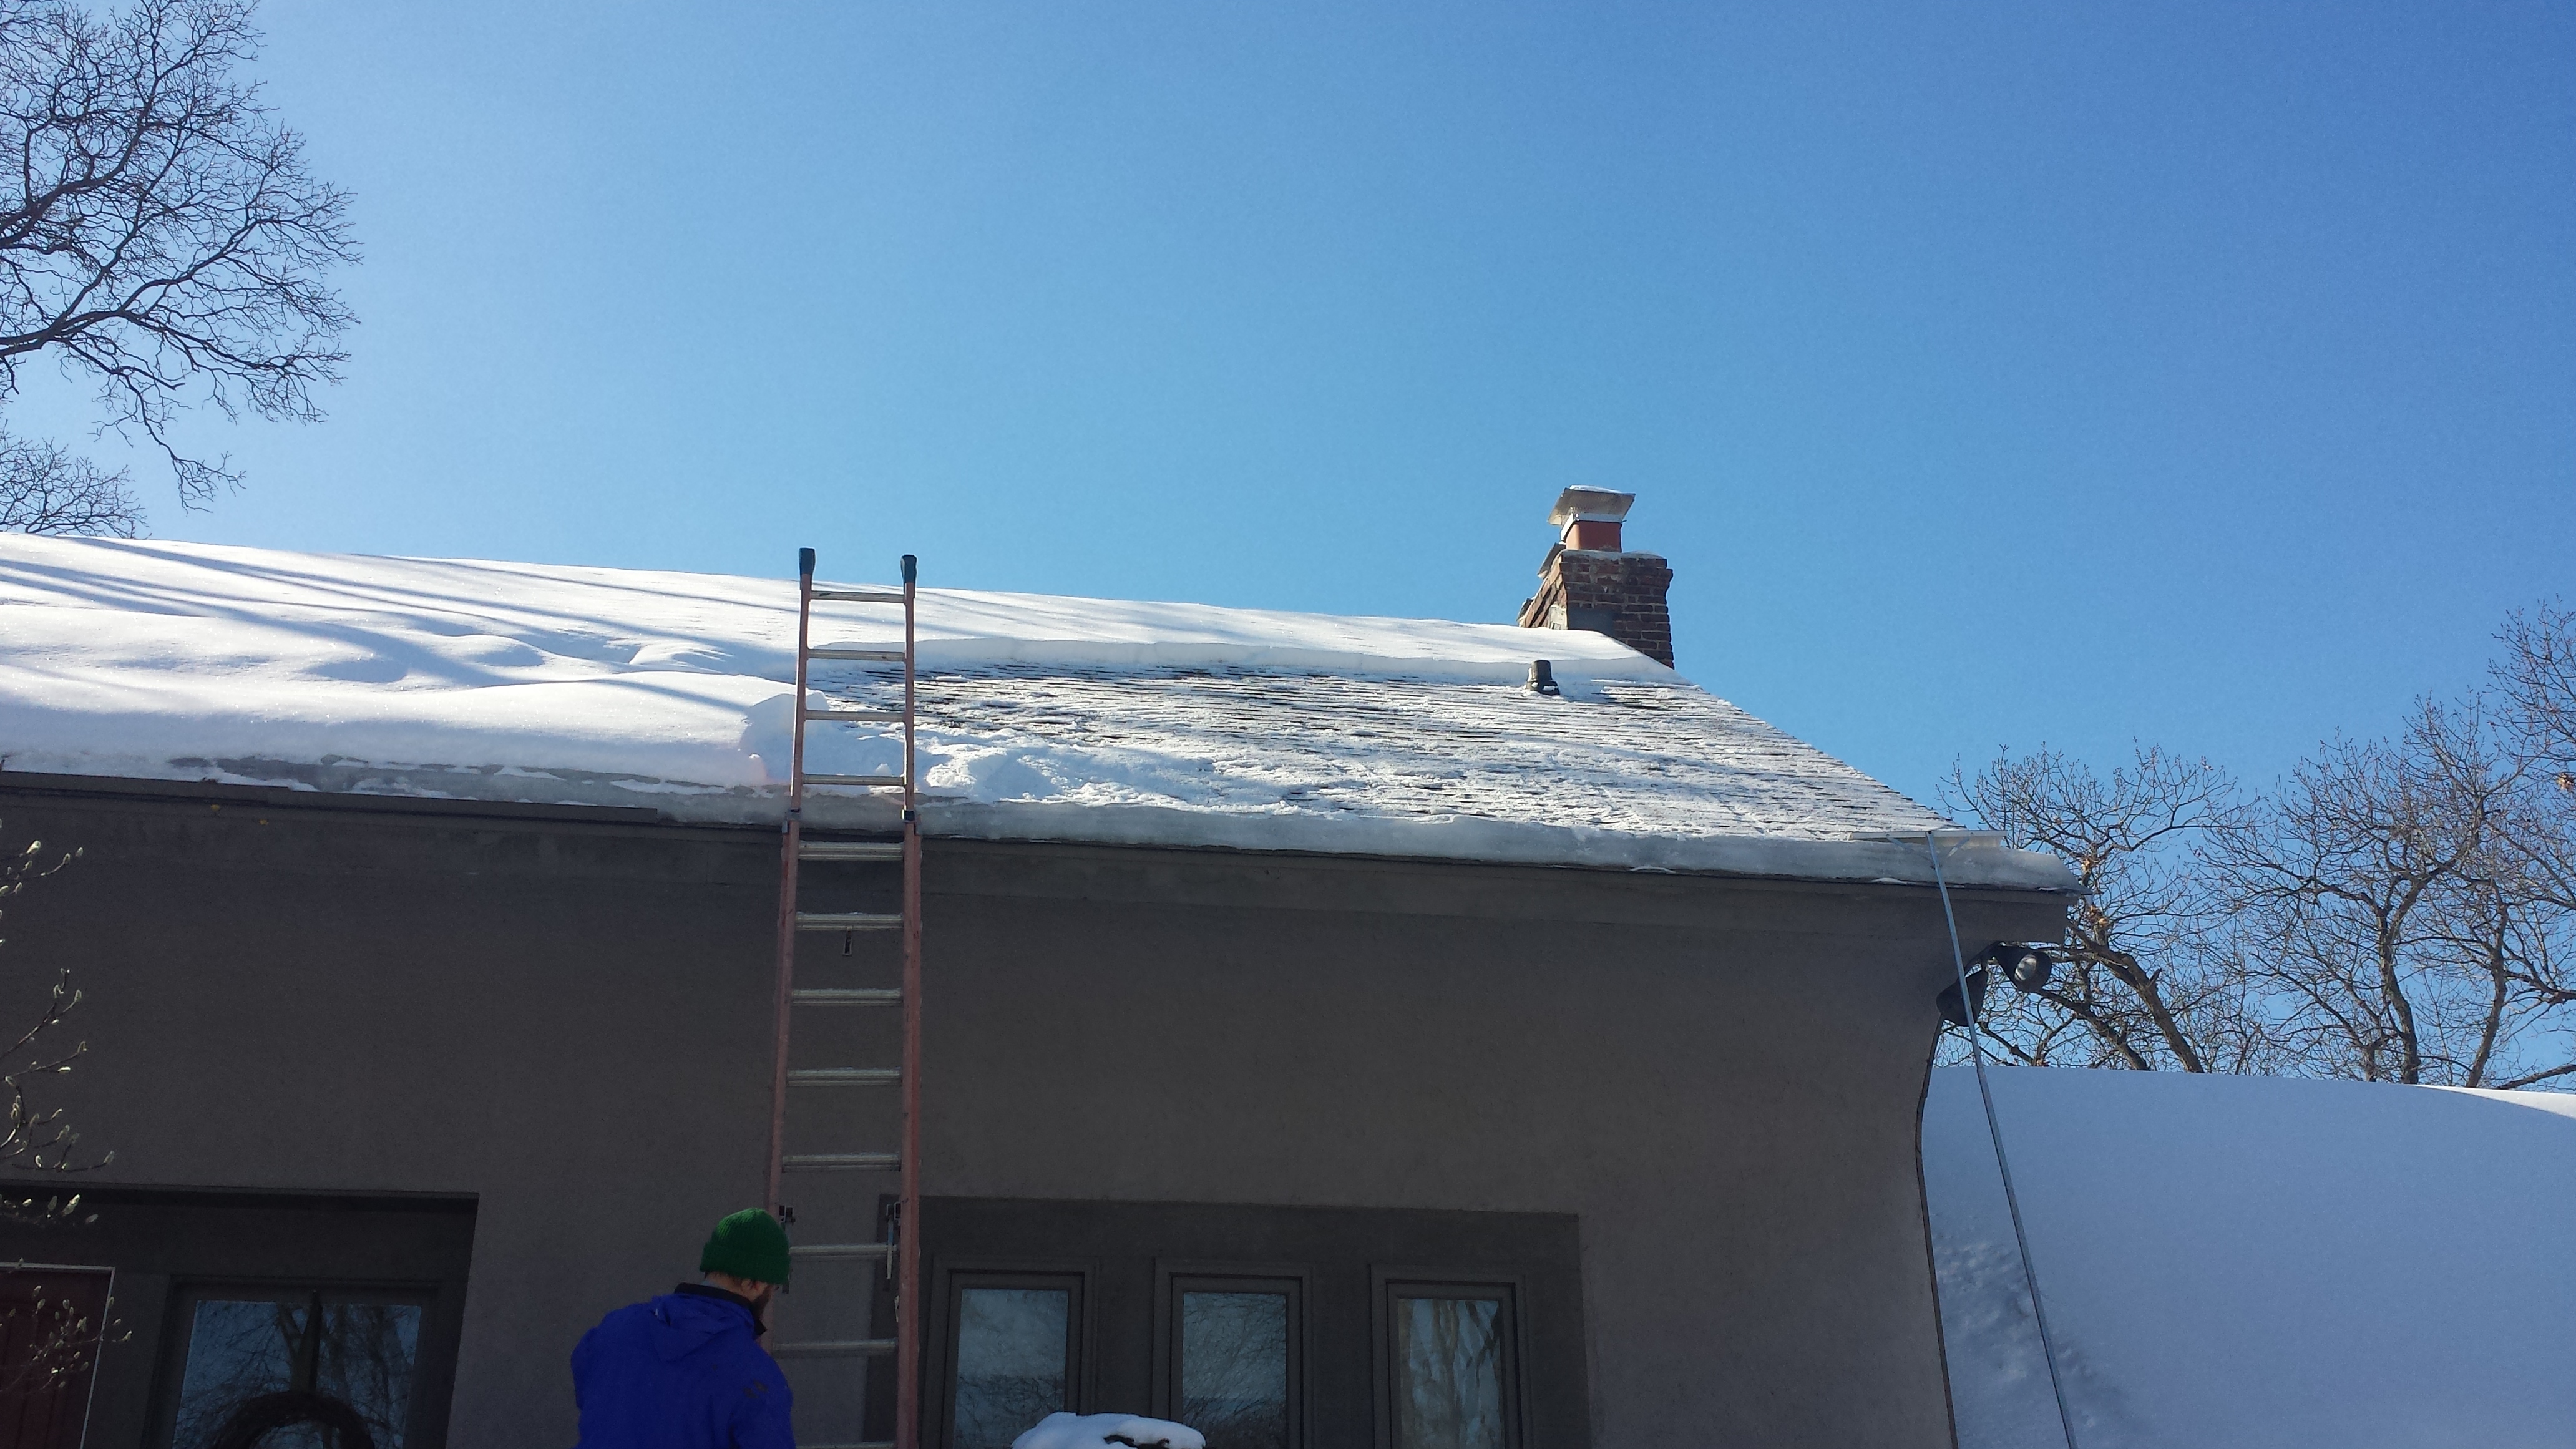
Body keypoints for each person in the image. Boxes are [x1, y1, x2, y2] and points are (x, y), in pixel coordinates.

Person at [571, 1208, 796, 1448]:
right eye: (772, 1288)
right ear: (755, 1283)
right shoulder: (754, 1377)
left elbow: (589, 1392)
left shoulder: (614, 1330)